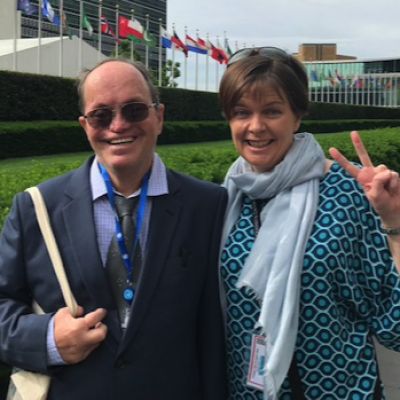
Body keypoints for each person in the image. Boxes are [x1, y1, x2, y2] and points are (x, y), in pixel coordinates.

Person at [0, 59, 228, 399]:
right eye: (101, 115)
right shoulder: (35, 208)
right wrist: (48, 339)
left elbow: (215, 330)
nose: (118, 125)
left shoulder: (208, 205)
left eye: (134, 110)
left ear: (159, 116)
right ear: (84, 124)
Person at [218, 47, 400, 400]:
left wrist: (395, 223)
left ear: (297, 116)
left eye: (272, 111)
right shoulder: (224, 201)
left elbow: (395, 327)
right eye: (242, 112)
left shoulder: (345, 194)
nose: (255, 126)